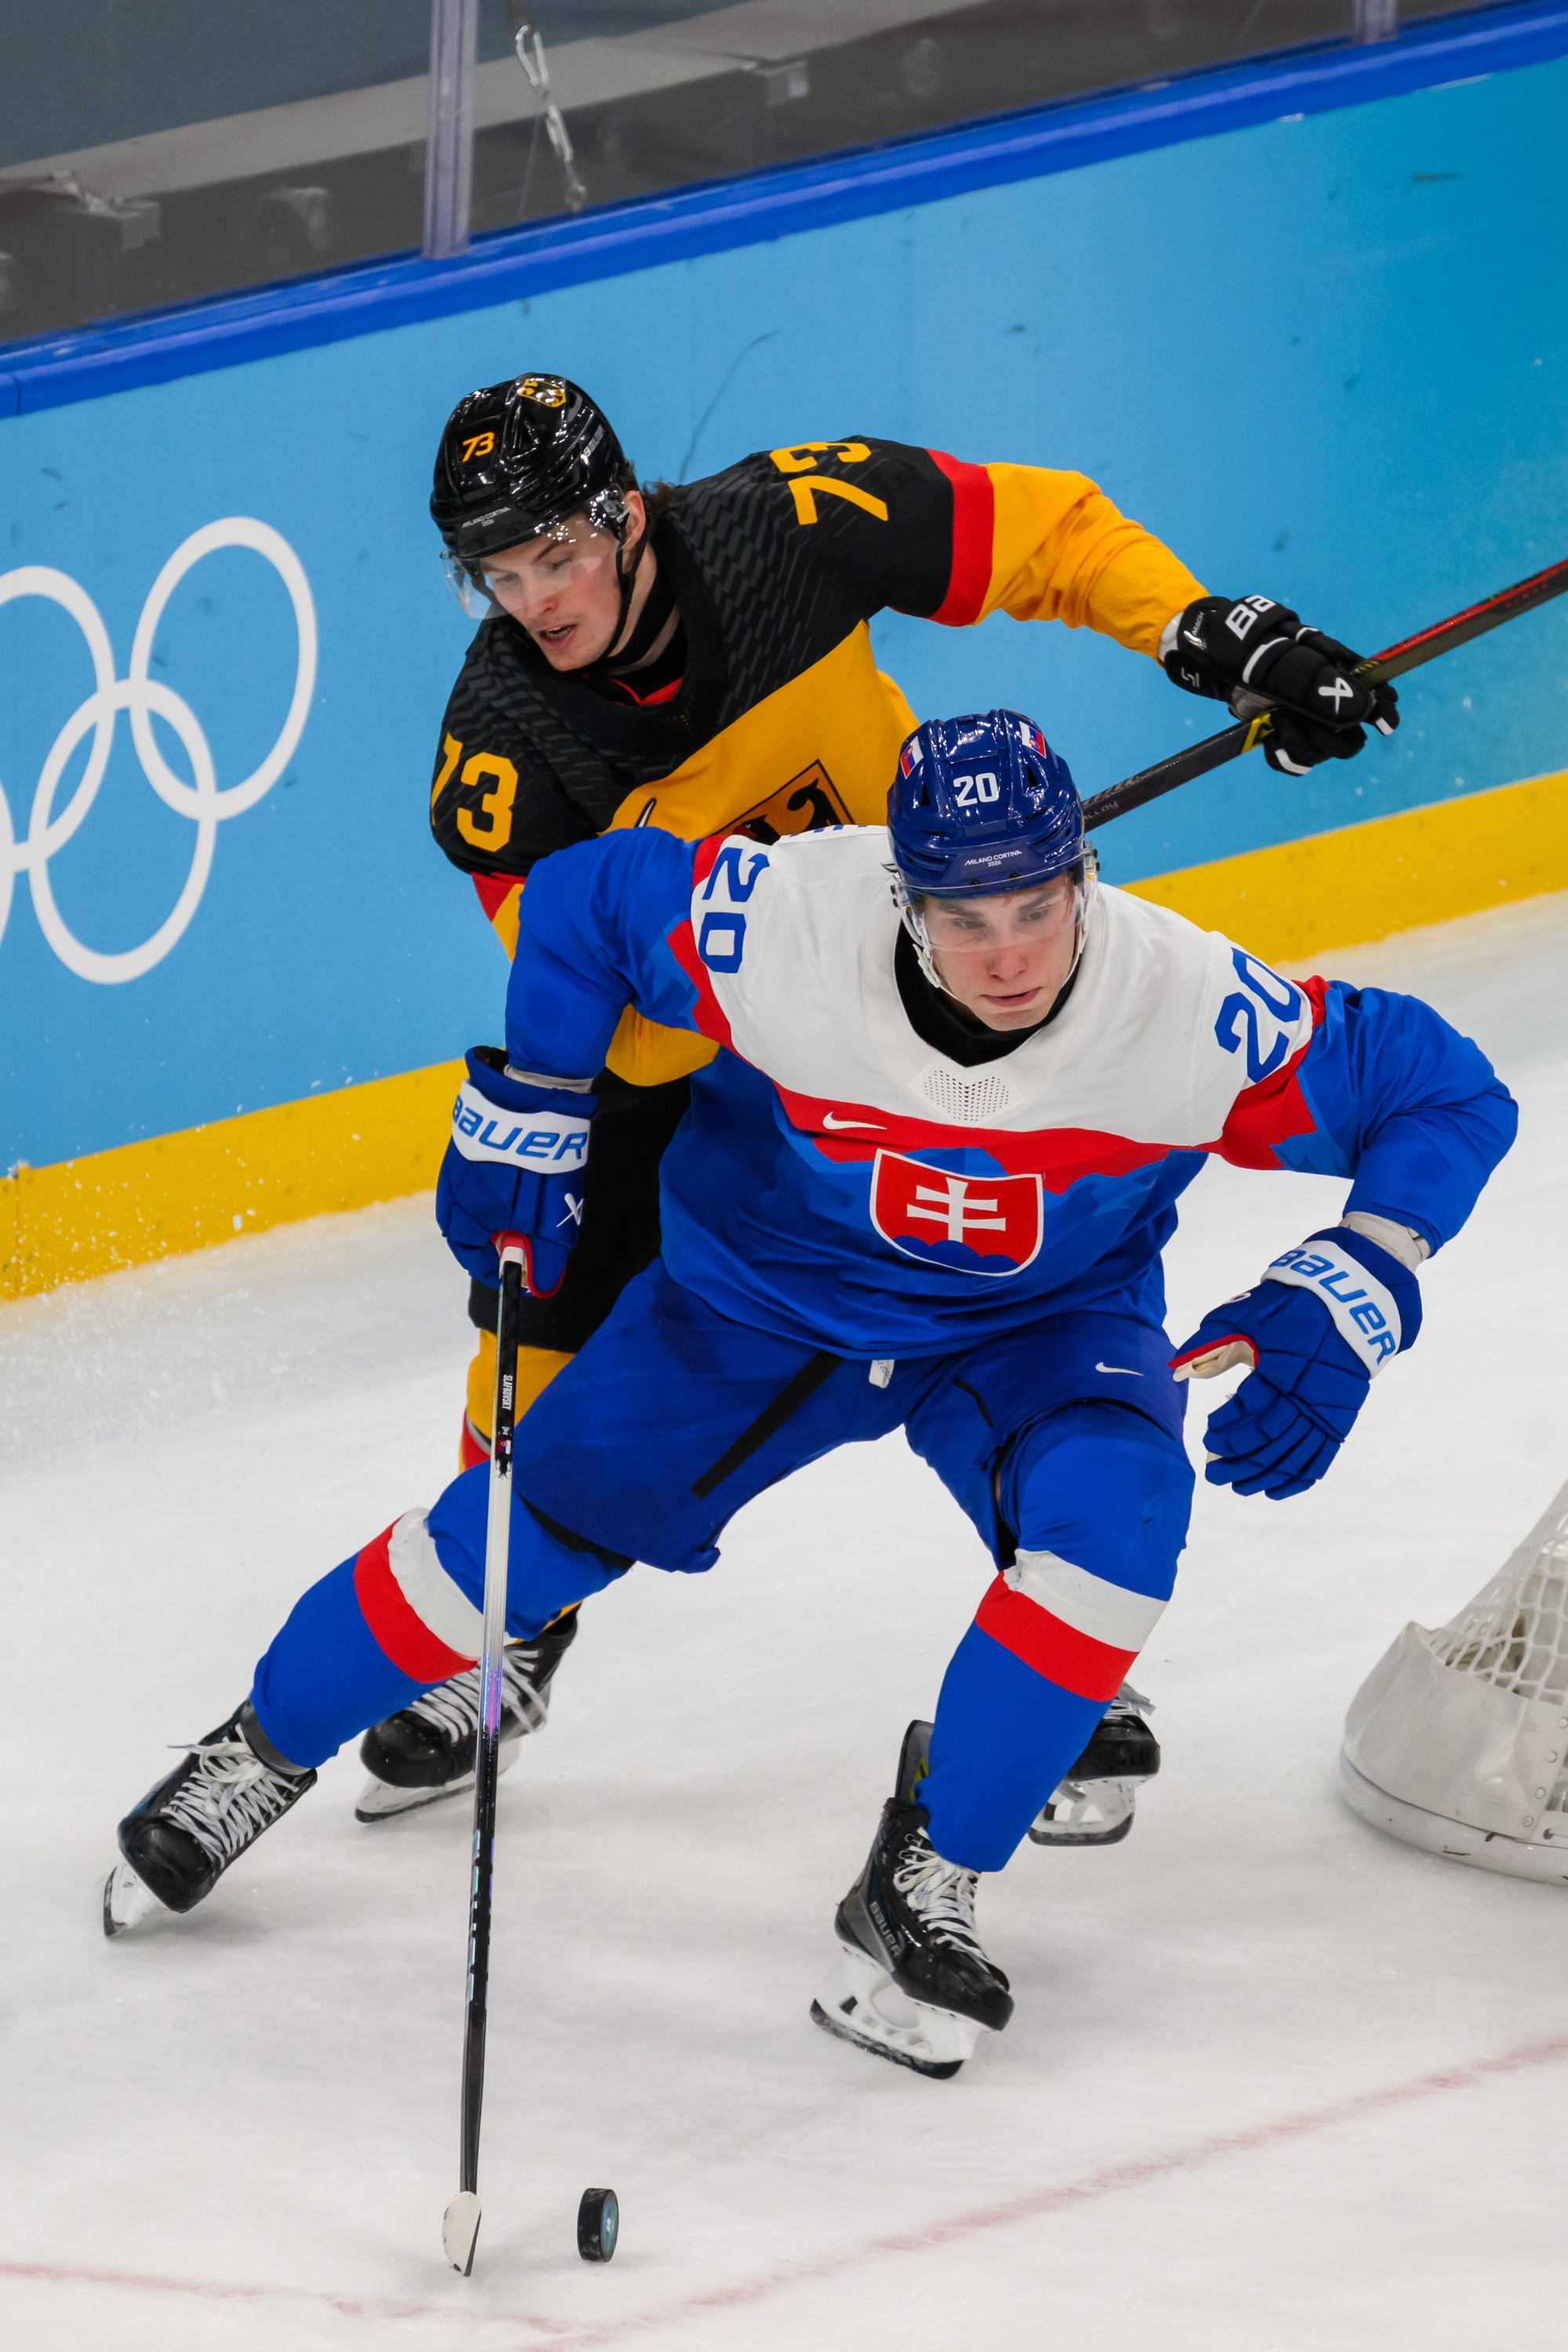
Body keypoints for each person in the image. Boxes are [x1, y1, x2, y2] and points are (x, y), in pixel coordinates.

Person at [106, 709, 1509, 2078]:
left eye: (1039, 904)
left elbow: (1444, 1093)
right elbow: (586, 898)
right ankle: (260, 1747)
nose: (1010, 954)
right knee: (507, 1549)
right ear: (904, 900)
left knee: (1122, 1520)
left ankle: (928, 1876)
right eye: (968, 918)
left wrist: (1361, 1275)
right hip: (759, 1306)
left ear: (1085, 873)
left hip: (1032, 1323)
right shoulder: (782, 924)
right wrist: (531, 1099)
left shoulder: (1189, 1006)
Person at [361, 368, 1403, 1824]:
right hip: (706, 1041)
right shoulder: (503, 749)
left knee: (1029, 1320)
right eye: (502, 573)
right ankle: (504, 1625)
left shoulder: (789, 527)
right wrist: (788, 963)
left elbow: (1037, 533)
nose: (536, 599)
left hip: (948, 1007)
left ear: (624, 513)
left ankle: (1061, 1650)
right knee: (540, 1322)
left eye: (558, 554)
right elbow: (584, 985)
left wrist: (1212, 635)